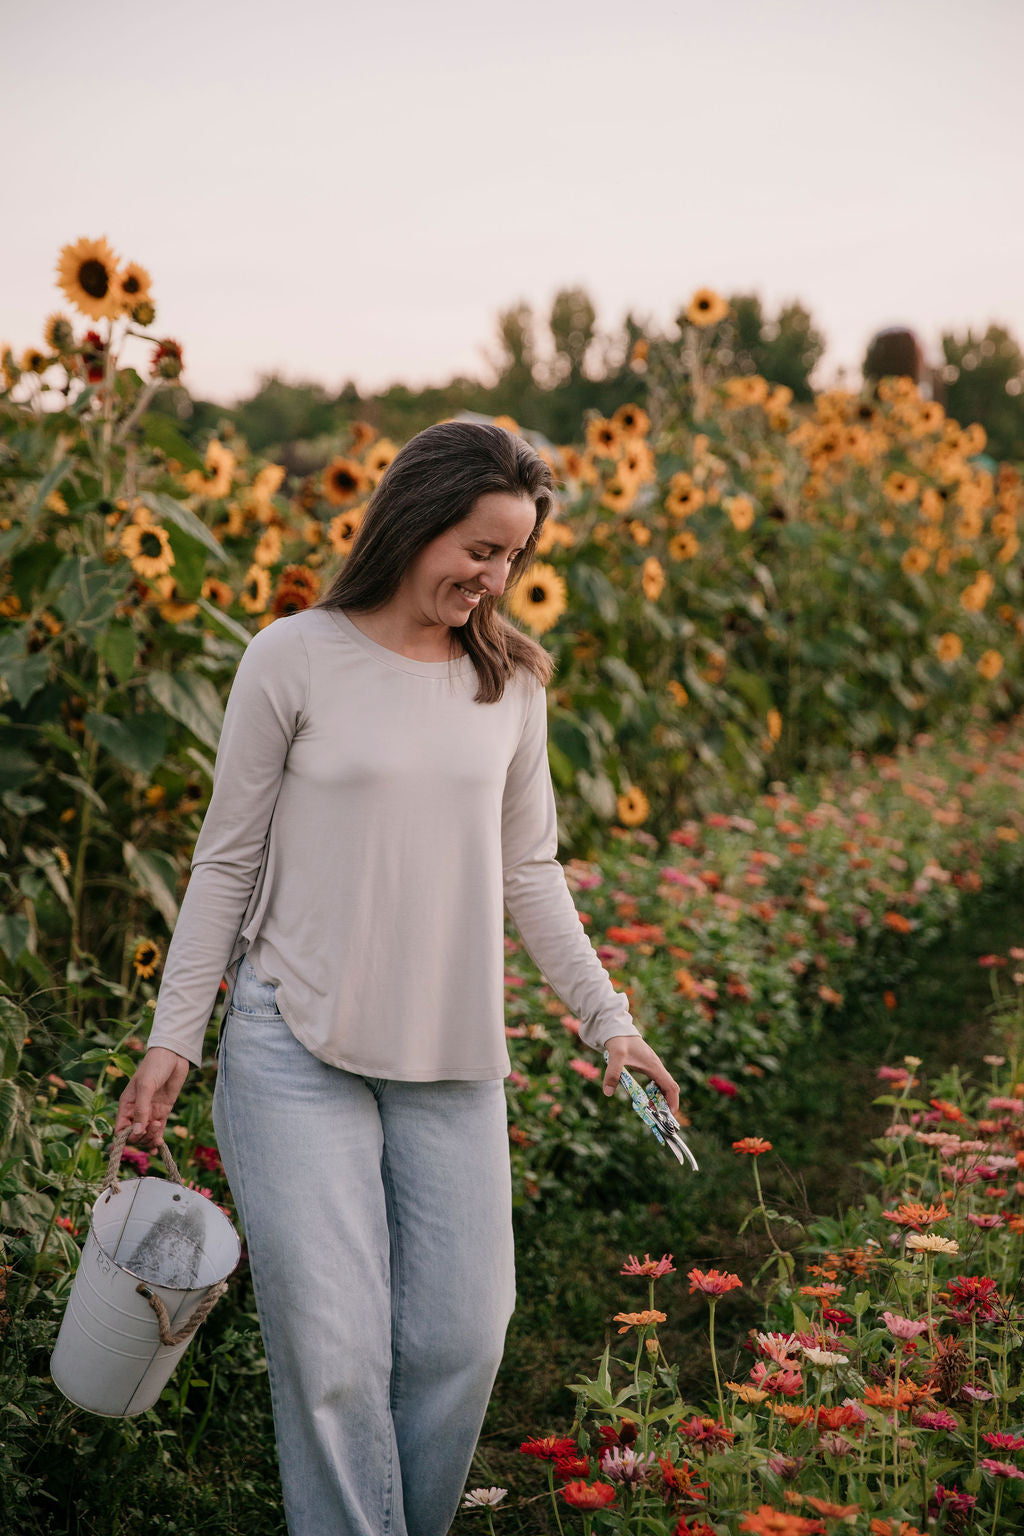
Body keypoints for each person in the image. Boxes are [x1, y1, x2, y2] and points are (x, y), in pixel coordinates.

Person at [115, 421, 678, 1536]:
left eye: (513, 556)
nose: (494, 576)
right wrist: (175, 1035)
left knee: (463, 1340)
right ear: (414, 523)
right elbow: (225, 860)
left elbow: (530, 870)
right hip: (292, 1045)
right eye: (478, 547)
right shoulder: (293, 656)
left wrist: (610, 1022)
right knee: (332, 1356)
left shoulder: (510, 685)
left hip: (452, 1055)